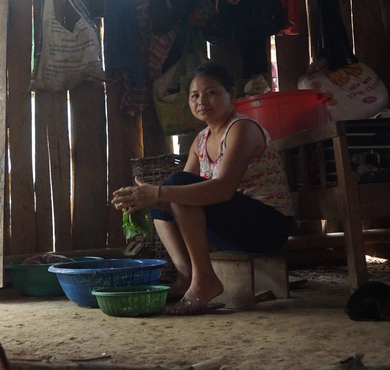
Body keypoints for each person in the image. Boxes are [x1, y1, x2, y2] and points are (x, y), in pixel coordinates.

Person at [111, 61, 294, 315]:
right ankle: (186, 277)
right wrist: (145, 197)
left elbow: (222, 190)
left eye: (211, 93)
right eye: (195, 95)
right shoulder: (201, 139)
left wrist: (159, 192)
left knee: (170, 188)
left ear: (231, 95)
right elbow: (182, 196)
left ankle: (204, 280)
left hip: (268, 226)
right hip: (234, 223)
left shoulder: (241, 129)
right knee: (162, 201)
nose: (202, 101)